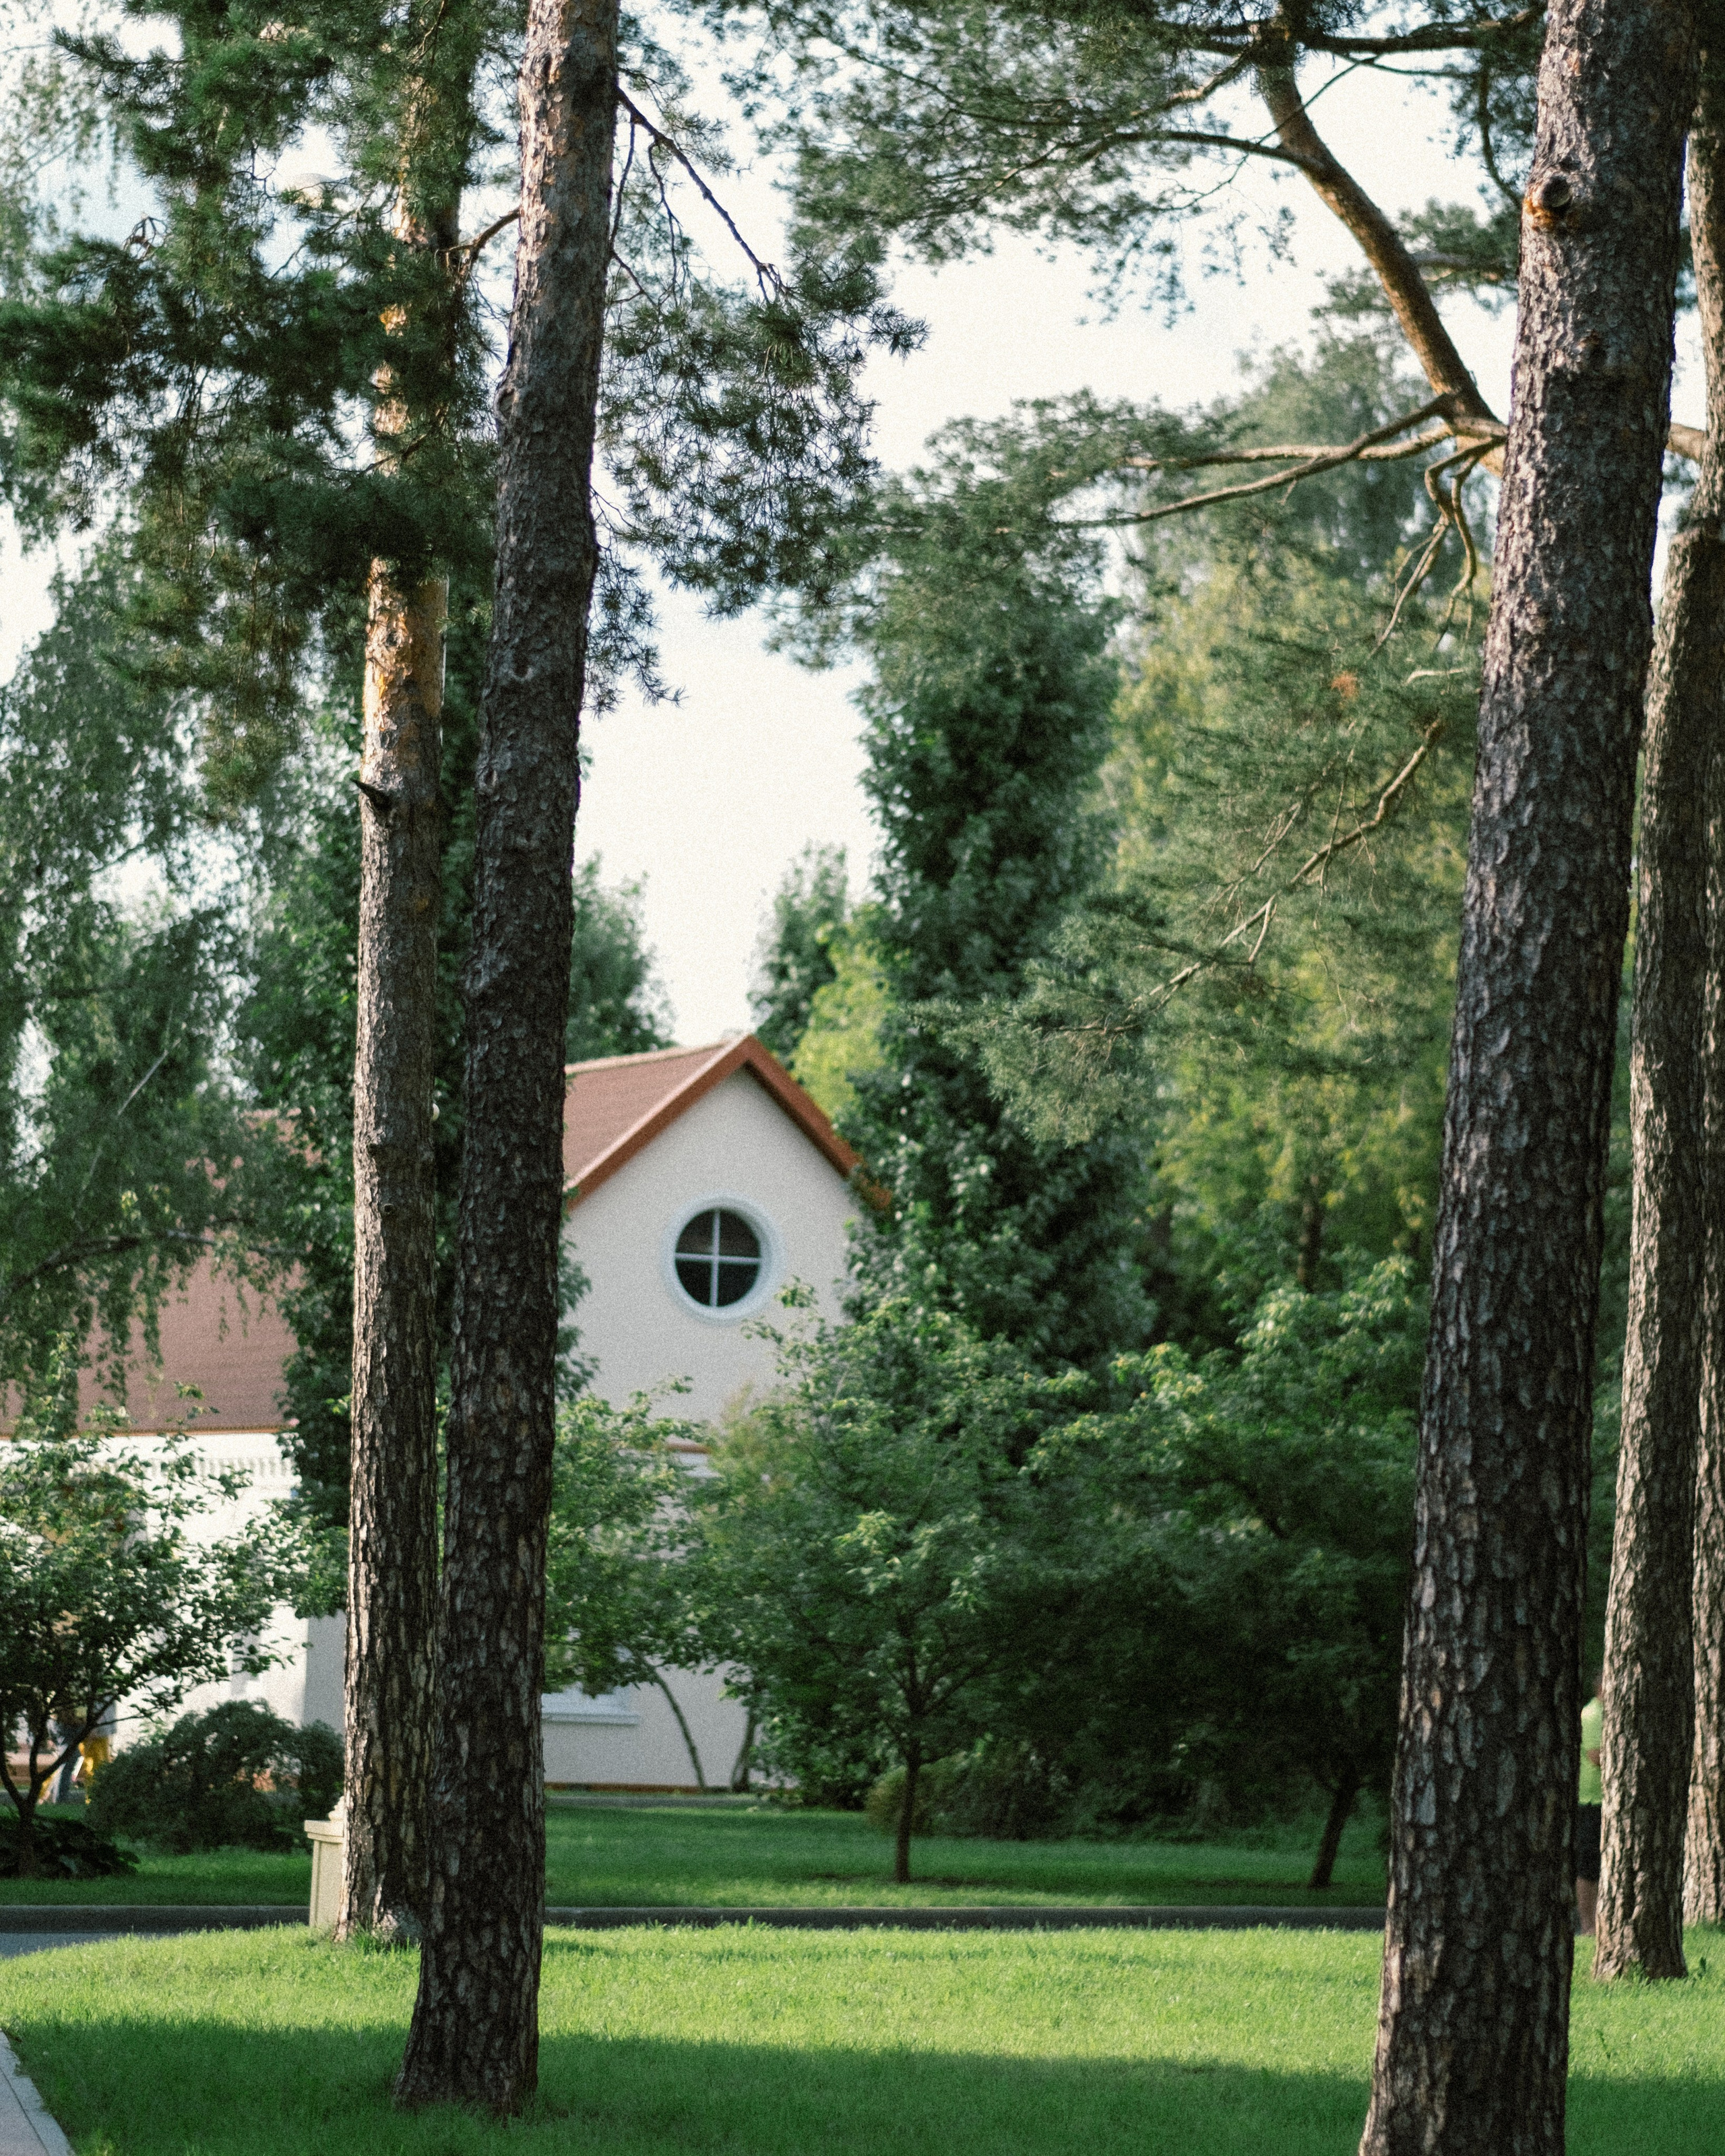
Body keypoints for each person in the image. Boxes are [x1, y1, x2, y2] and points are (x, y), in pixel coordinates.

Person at [1576, 1665, 1604, 1936]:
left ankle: (1598, 1924)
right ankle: (1587, 1927)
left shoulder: (1608, 1713)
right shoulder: (1593, 1714)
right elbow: (1596, 1756)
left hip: (1605, 1802)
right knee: (1588, 1867)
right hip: (1590, 1802)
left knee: (1600, 1866)